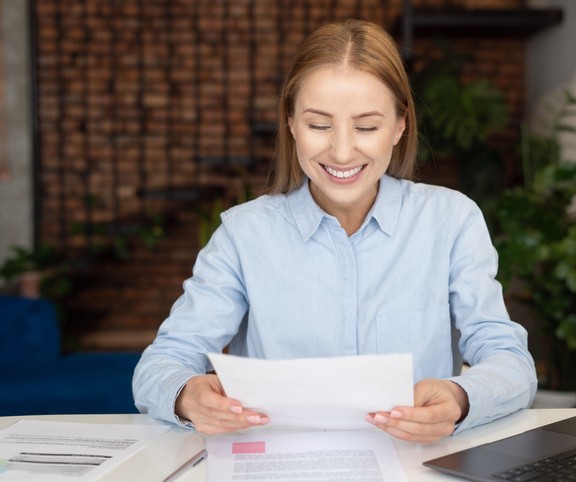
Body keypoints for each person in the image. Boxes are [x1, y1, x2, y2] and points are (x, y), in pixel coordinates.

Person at [132, 19, 537, 443]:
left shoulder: (451, 221)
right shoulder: (243, 234)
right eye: (319, 125)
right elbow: (161, 364)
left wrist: (460, 398)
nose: (342, 151)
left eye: (366, 127)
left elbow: (511, 361)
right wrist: (186, 394)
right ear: (290, 123)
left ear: (400, 126)